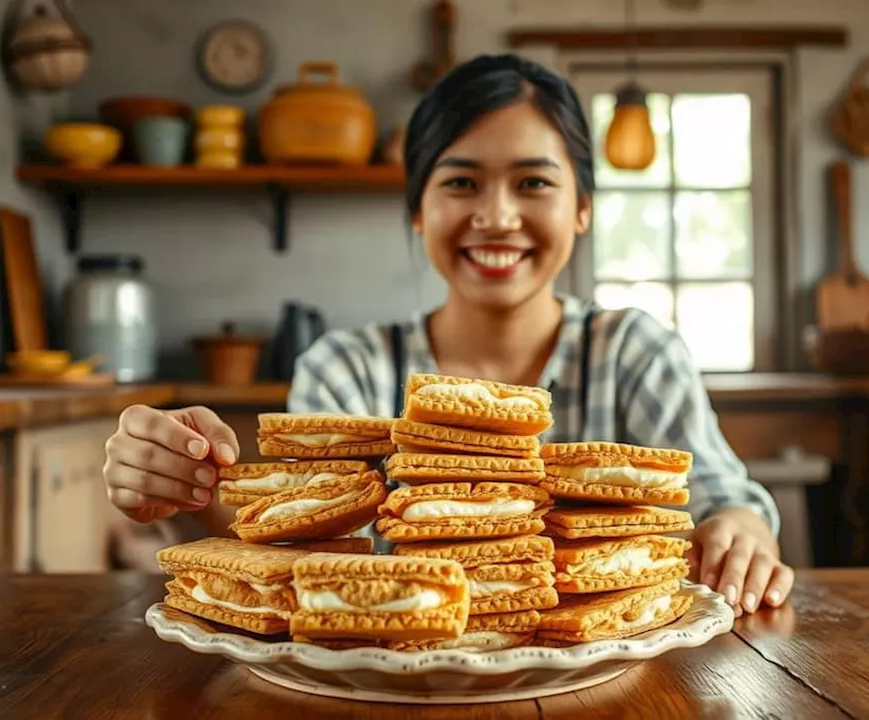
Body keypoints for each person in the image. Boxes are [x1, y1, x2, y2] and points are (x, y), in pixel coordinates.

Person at [102, 53, 794, 616]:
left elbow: (717, 495)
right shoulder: (349, 369)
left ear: (582, 208)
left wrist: (742, 529)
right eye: (461, 183)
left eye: (532, 183)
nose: (496, 216)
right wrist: (189, 484)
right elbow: (290, 544)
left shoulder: (635, 352)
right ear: (417, 210)